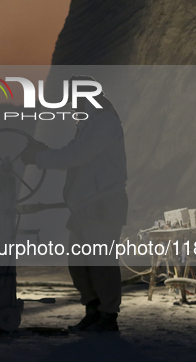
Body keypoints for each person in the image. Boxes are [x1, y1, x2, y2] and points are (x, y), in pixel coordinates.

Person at [21, 75, 128, 333]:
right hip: (85, 207)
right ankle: (93, 311)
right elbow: (74, 154)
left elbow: (77, 156)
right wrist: (45, 152)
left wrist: (39, 157)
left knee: (100, 264)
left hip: (102, 204)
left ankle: (107, 316)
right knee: (79, 264)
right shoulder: (88, 123)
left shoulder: (104, 122)